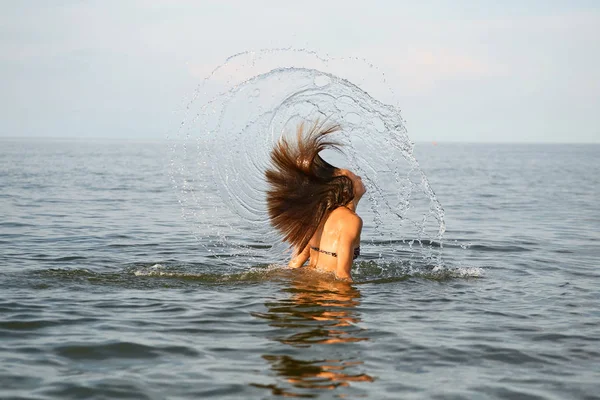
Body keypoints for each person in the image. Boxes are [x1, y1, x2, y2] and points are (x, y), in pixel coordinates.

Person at [265, 121, 366, 281]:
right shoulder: (351, 221)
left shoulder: (319, 215)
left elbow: (295, 263)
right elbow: (342, 274)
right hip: (324, 291)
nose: (360, 178)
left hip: (304, 284)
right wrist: (348, 304)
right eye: (355, 177)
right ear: (347, 189)